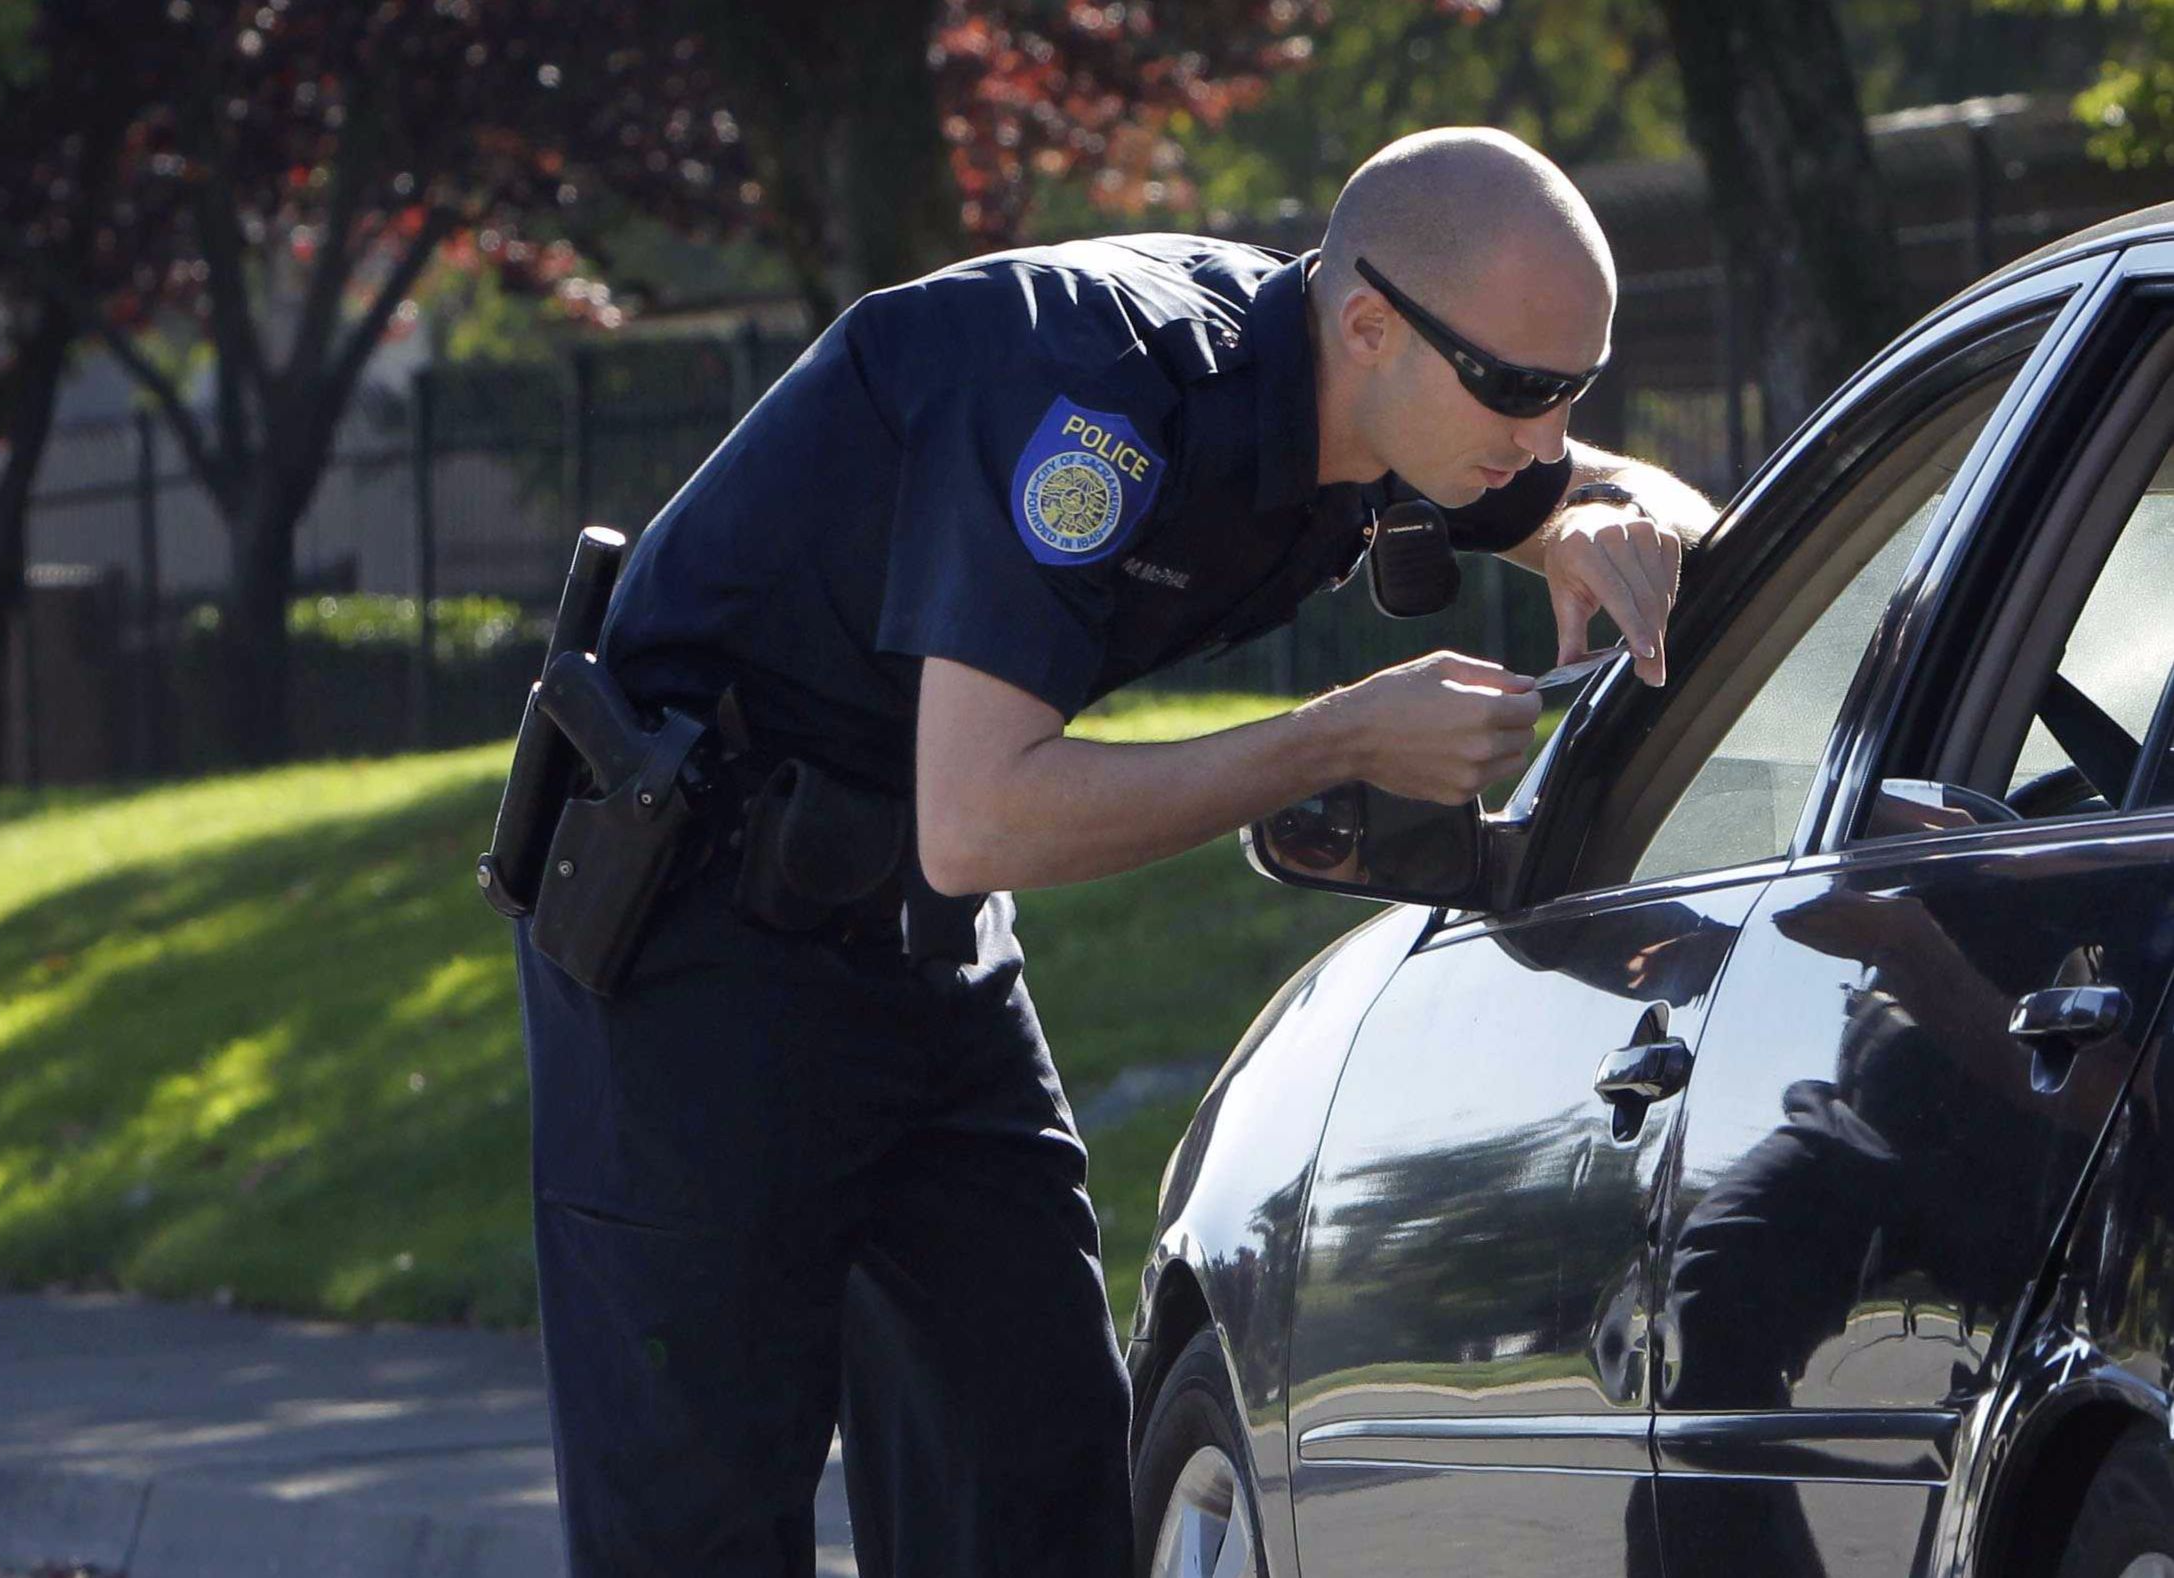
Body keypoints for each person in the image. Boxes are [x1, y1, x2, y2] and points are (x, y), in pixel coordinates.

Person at [511, 125, 1716, 1576]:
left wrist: (1618, 519)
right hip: (694, 939)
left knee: (1033, 1488)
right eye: (1520, 392)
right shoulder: (1099, 394)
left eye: (1571, 388)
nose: (1540, 435)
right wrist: (1337, 737)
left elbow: (1633, 494)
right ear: (1365, 324)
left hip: (914, 937)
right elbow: (985, 815)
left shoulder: (1390, 391)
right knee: (696, 1523)